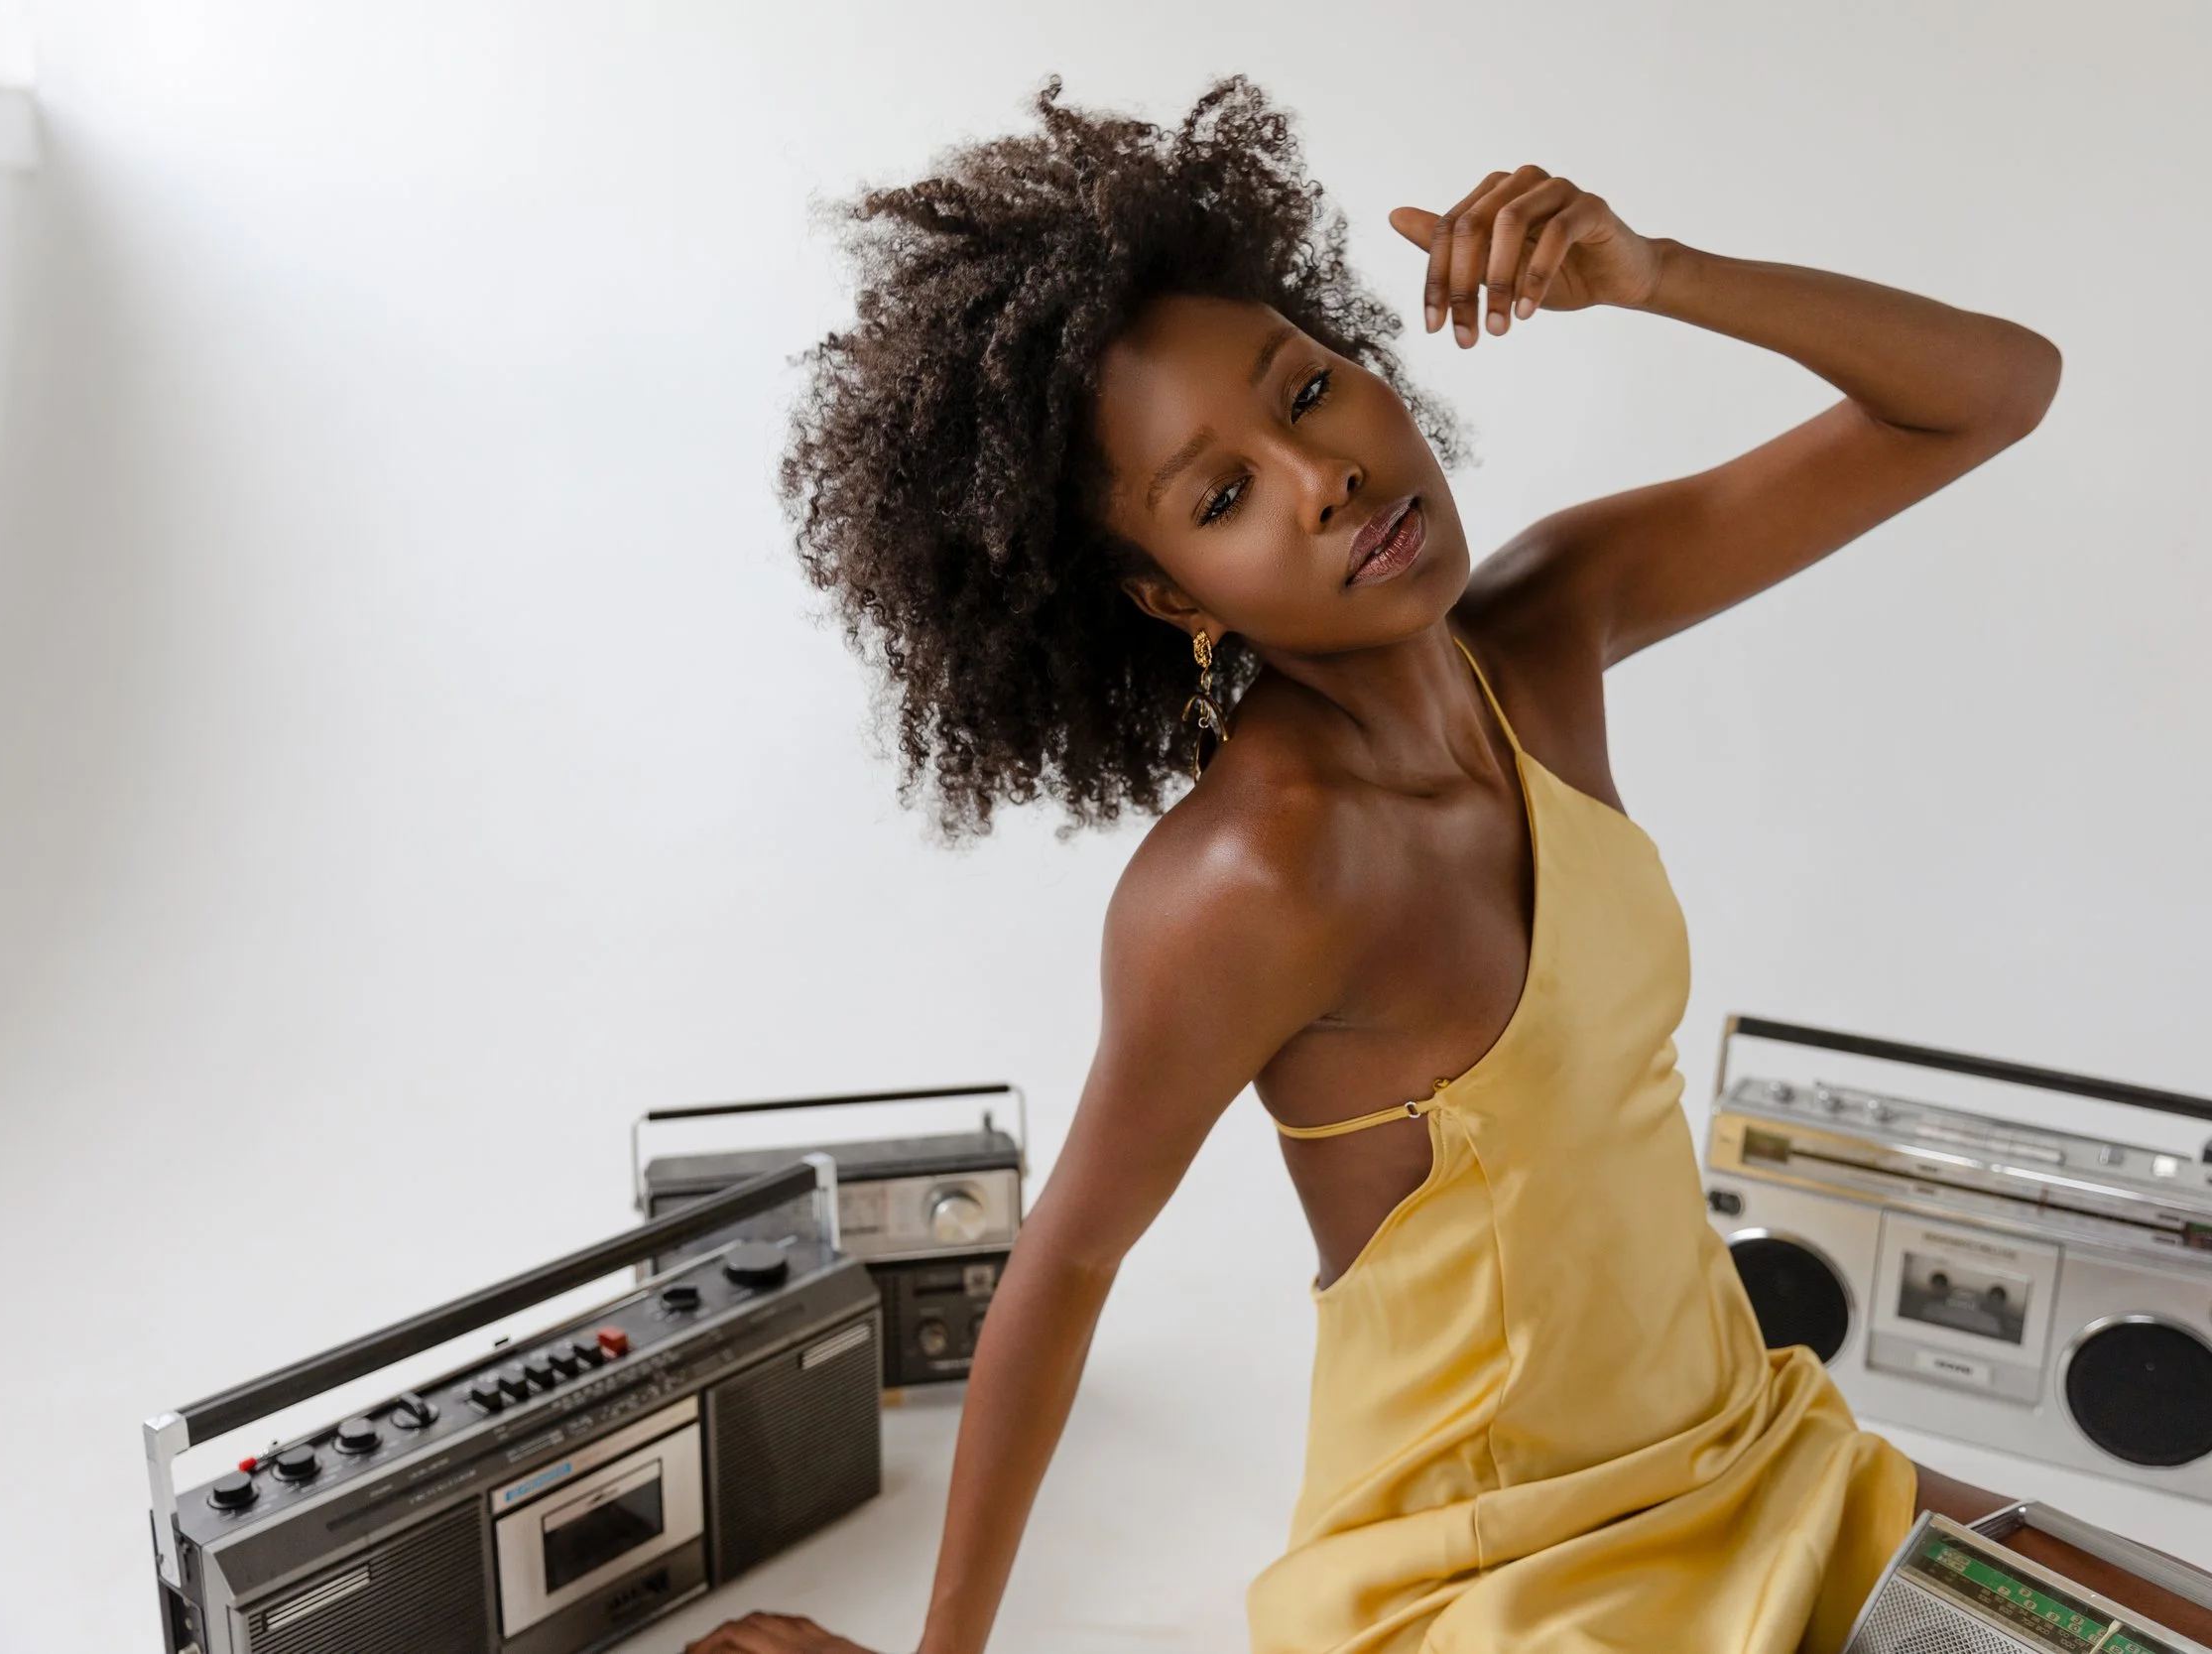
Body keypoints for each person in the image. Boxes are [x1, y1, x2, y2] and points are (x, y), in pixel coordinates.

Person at [693, 73, 2058, 1654]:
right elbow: (1067, 1257)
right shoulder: (1259, 875)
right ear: (1171, 597)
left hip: (1752, 1451)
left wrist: (1657, 271)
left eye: (1306, 391)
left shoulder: (1550, 625)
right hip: (1499, 1582)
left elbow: (1994, 392)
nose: (1320, 476)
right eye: (1223, 496)